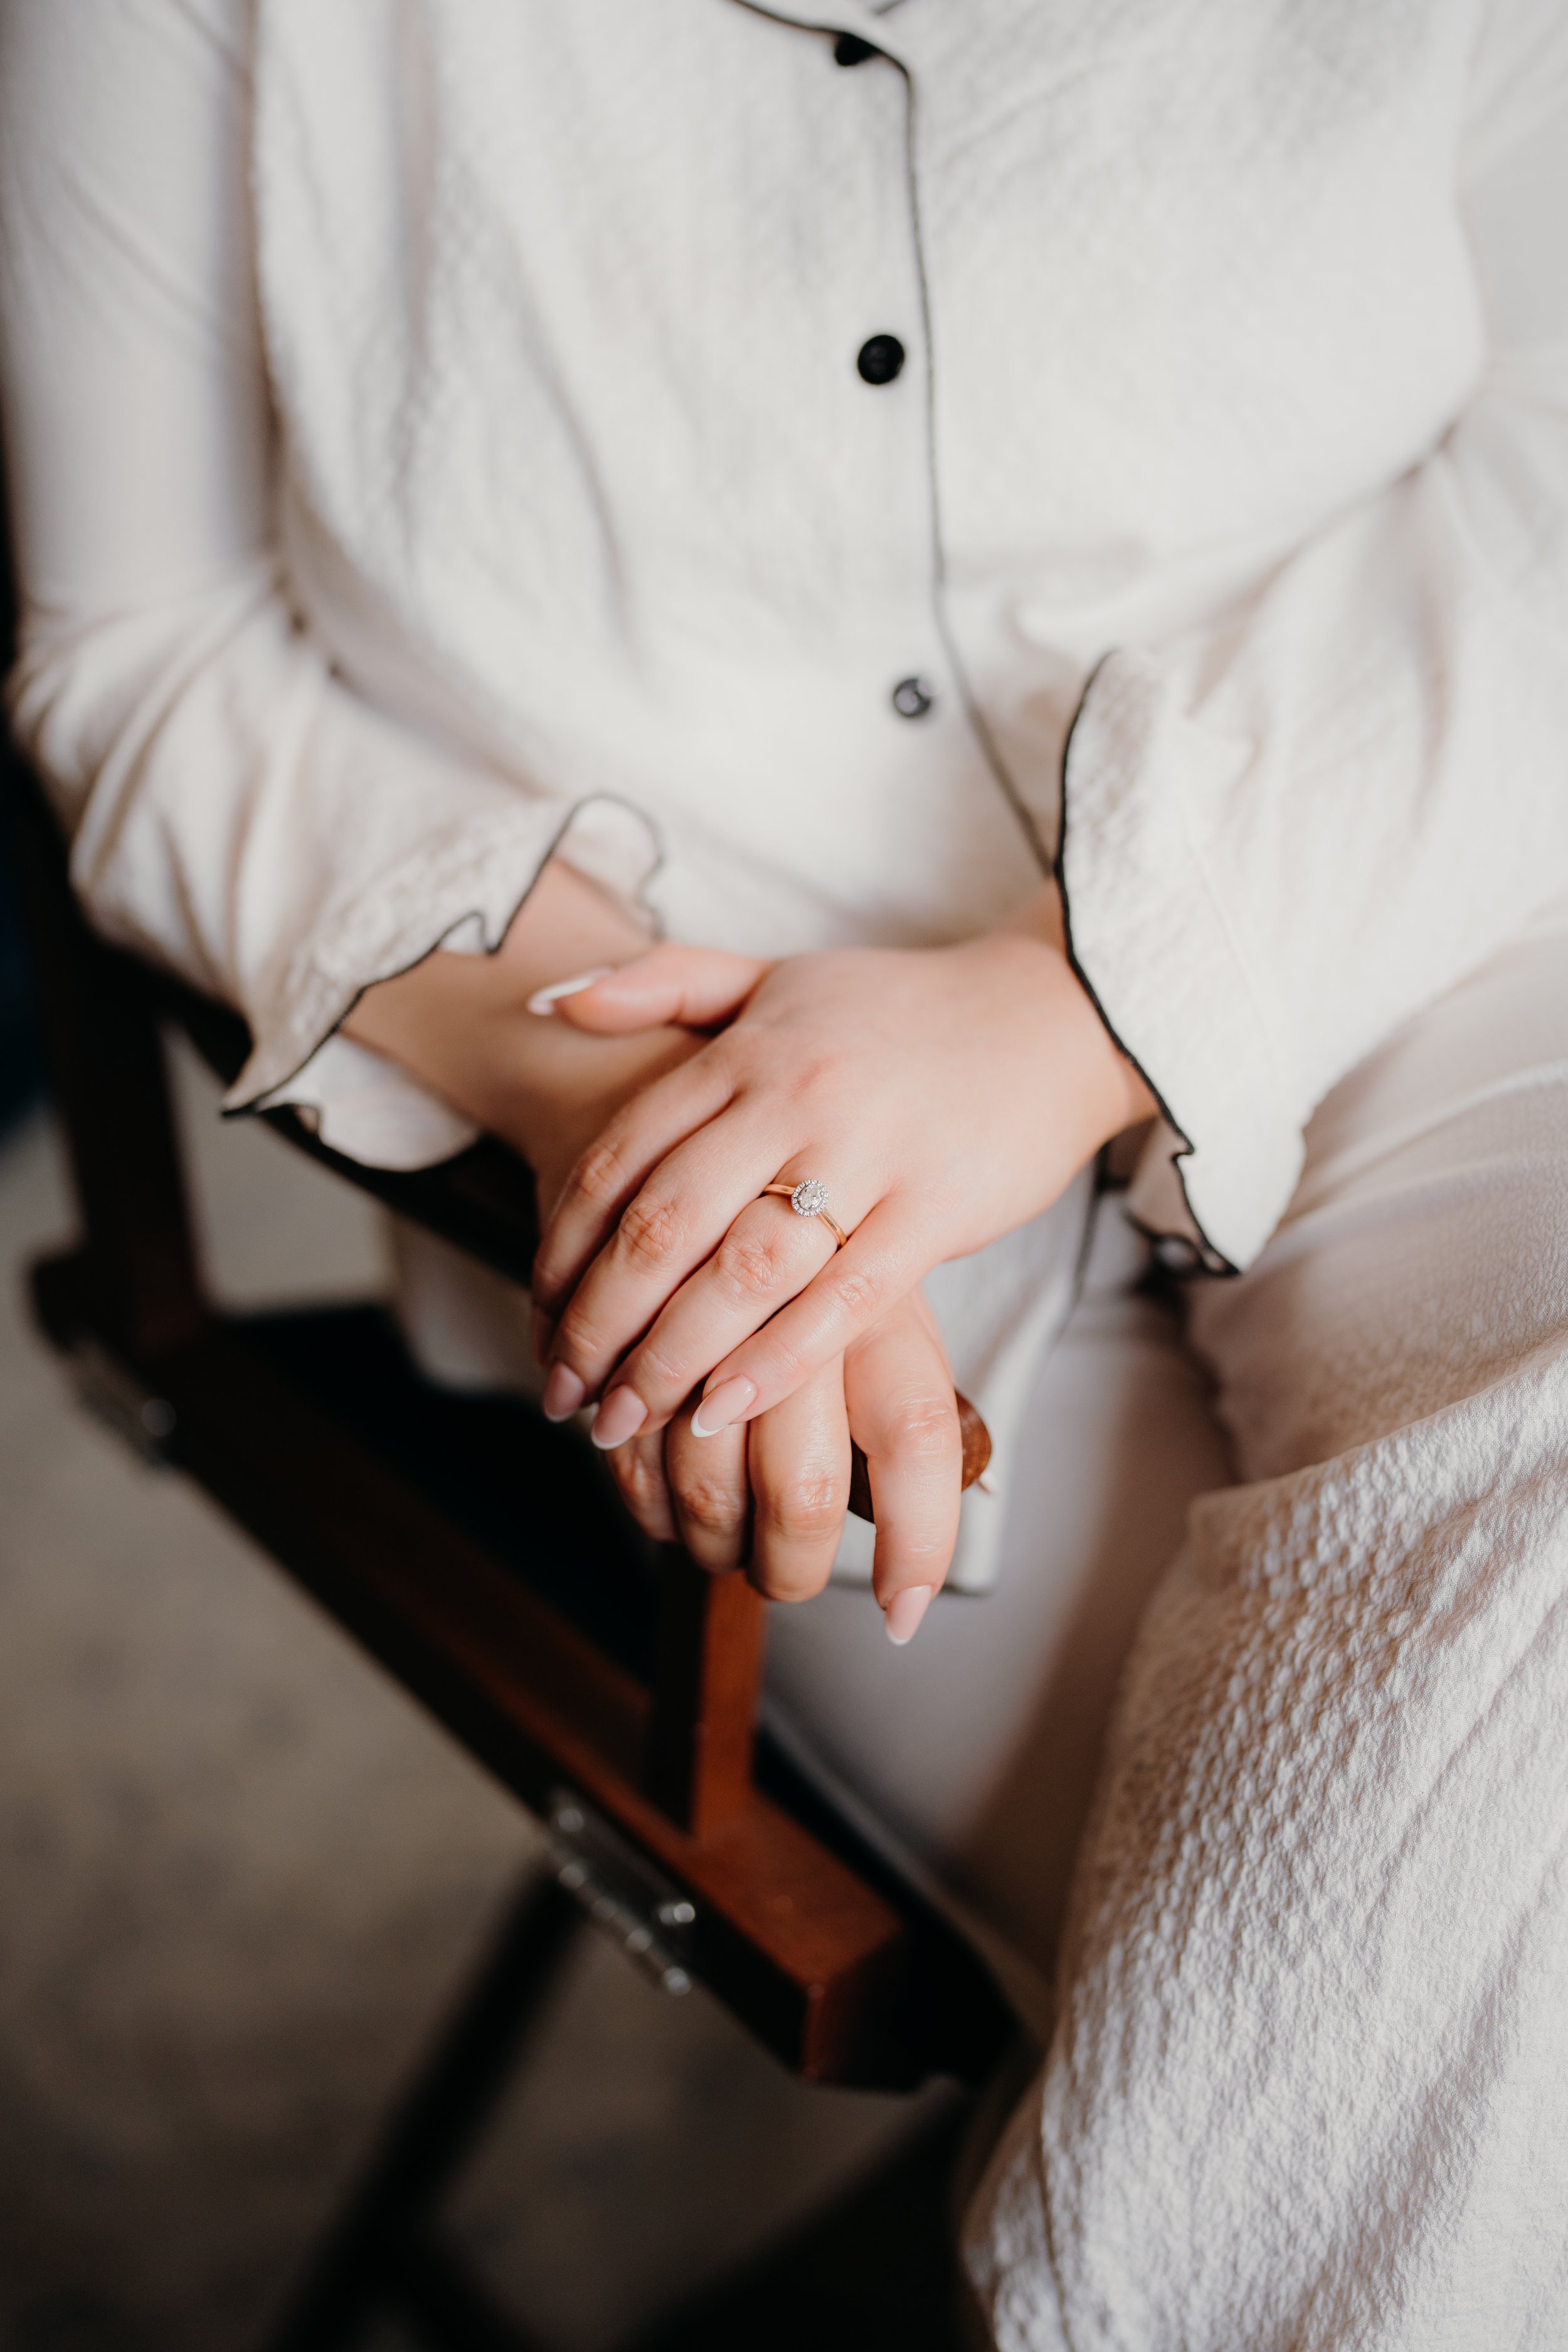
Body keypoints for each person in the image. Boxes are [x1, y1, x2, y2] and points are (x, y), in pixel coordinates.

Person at [4, 4, 1567, 2341]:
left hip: (1395, 898)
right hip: (715, 1090)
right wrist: (639, 1122)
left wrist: (1073, 1002)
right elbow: (144, 651)